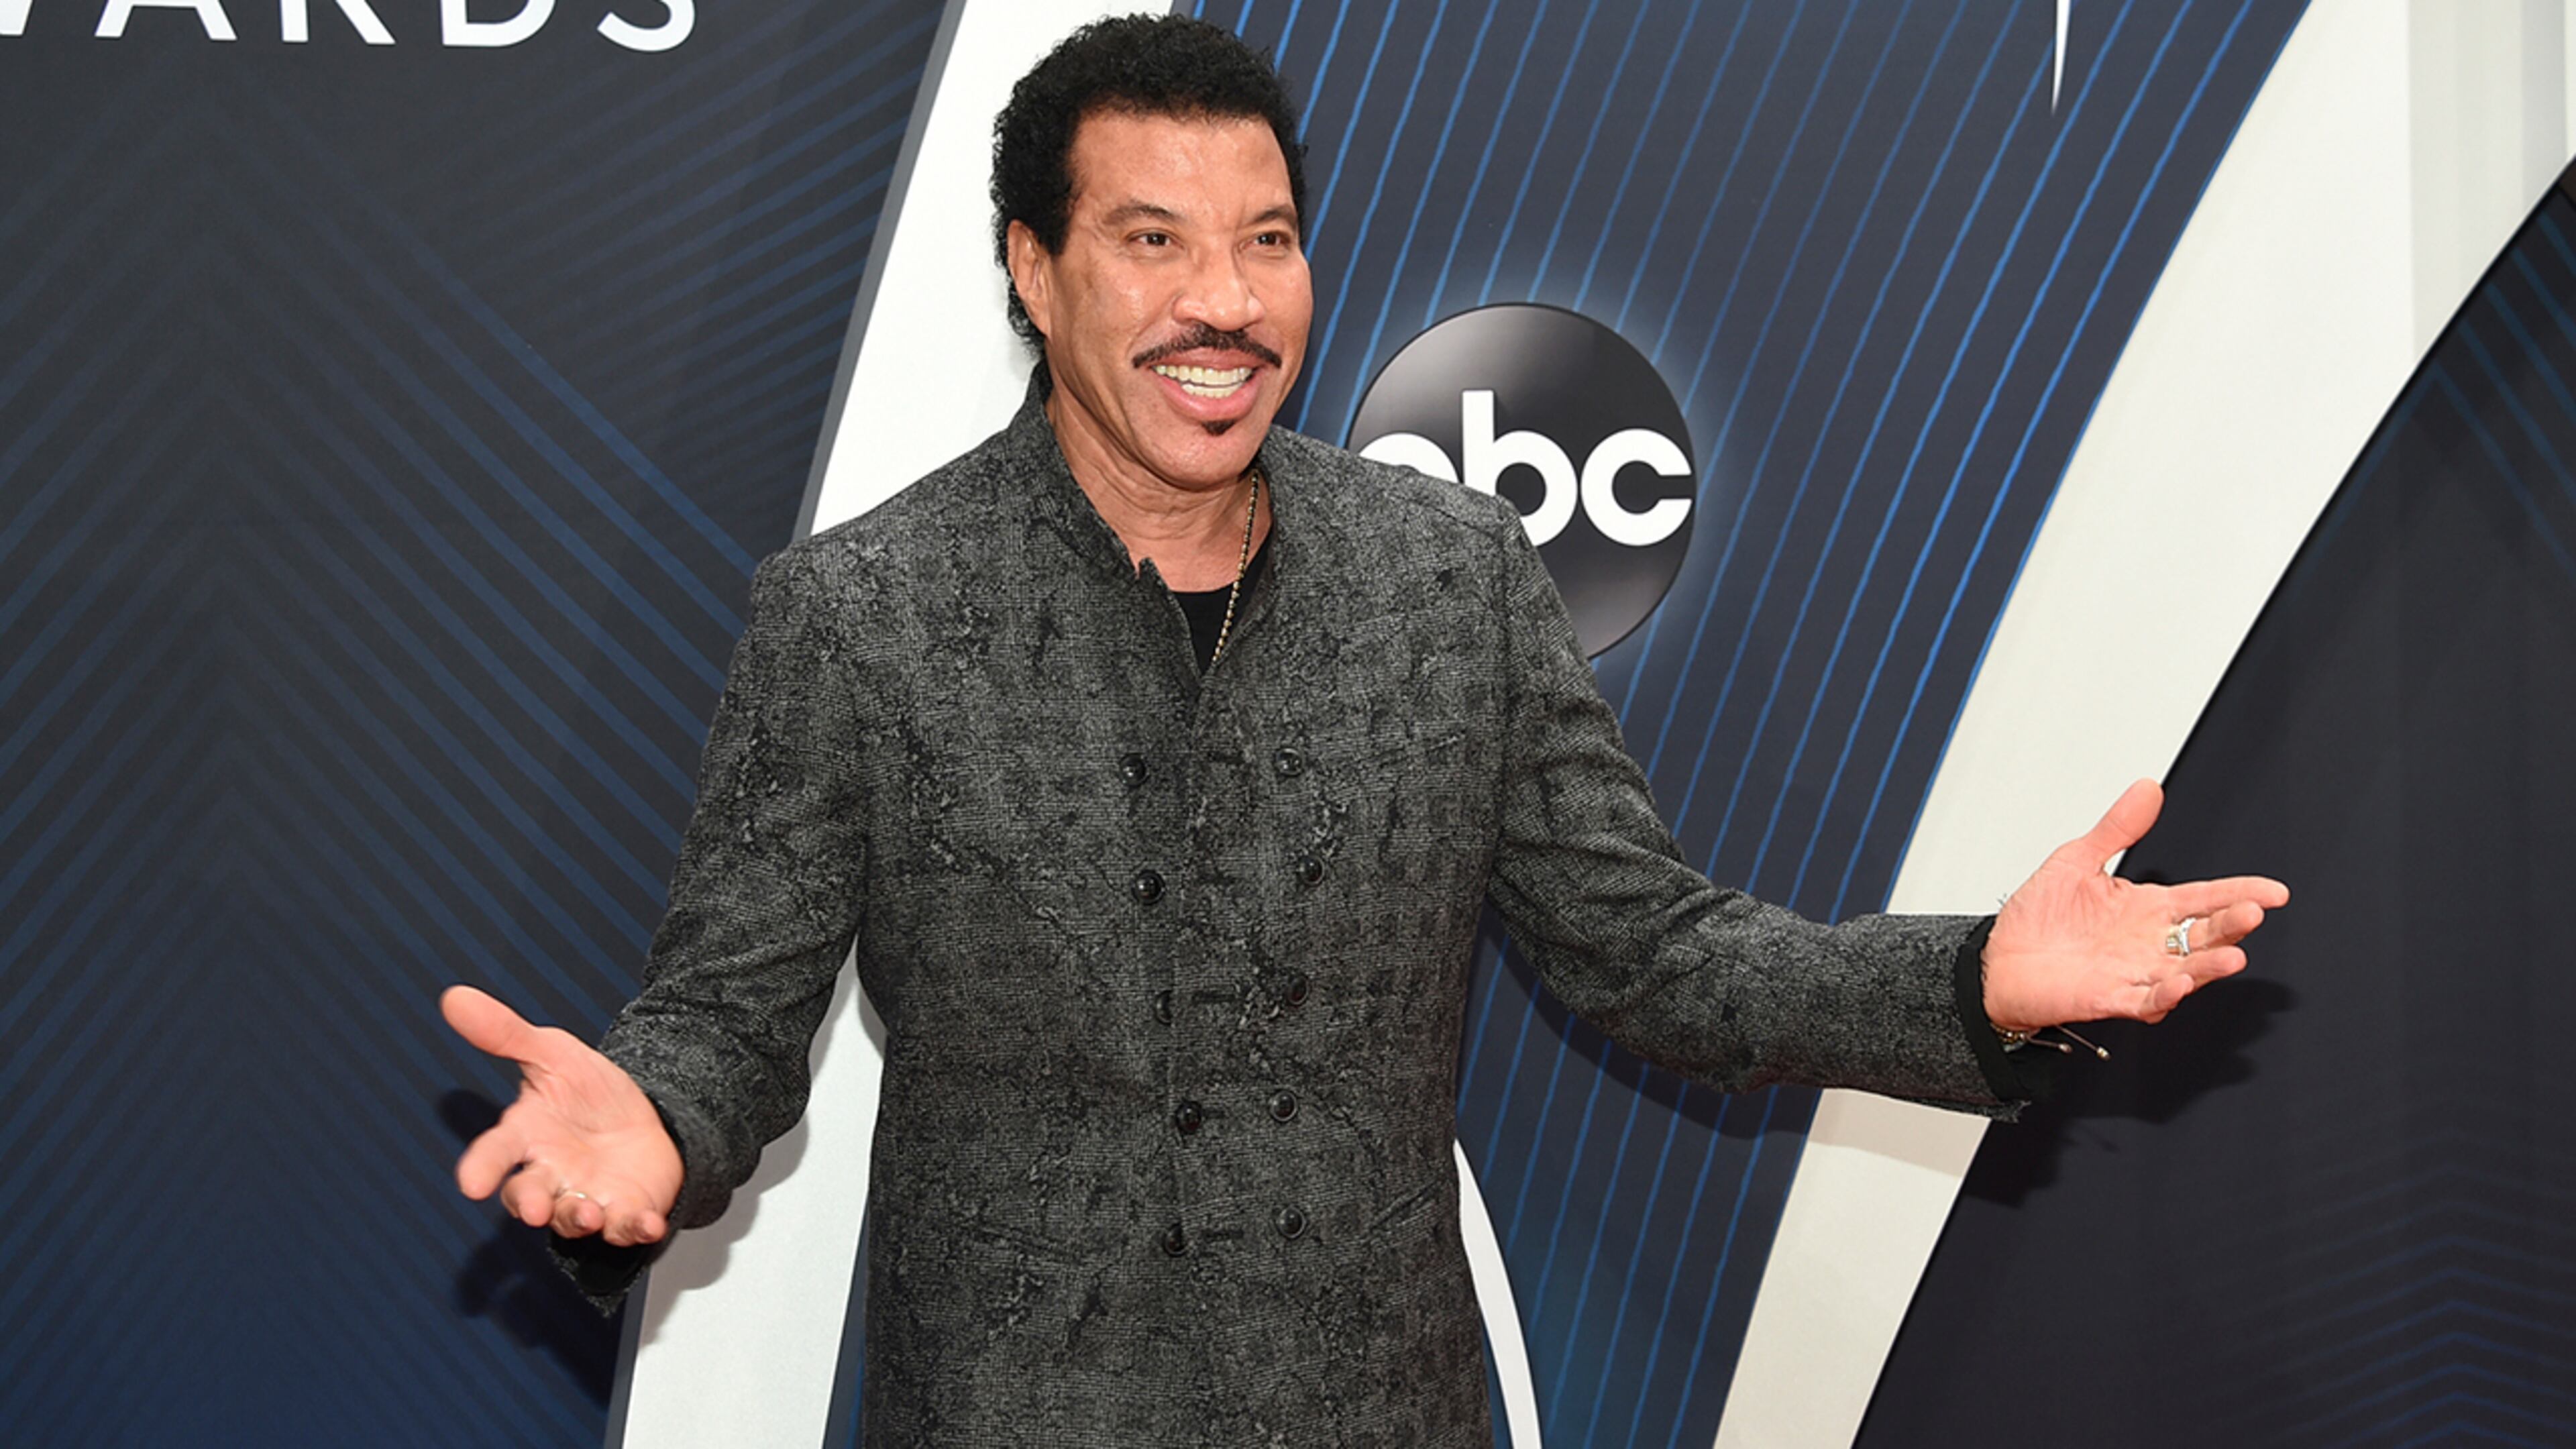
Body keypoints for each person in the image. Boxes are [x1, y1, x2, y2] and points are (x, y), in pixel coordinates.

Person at [441, 15, 2288, 1445]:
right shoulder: (861, 615)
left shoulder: (1451, 577)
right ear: (1033, 268)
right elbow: (730, 1011)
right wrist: (657, 1122)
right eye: (1151, 240)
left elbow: (1655, 955)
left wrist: (1973, 983)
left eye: (1266, 241)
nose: (1223, 302)